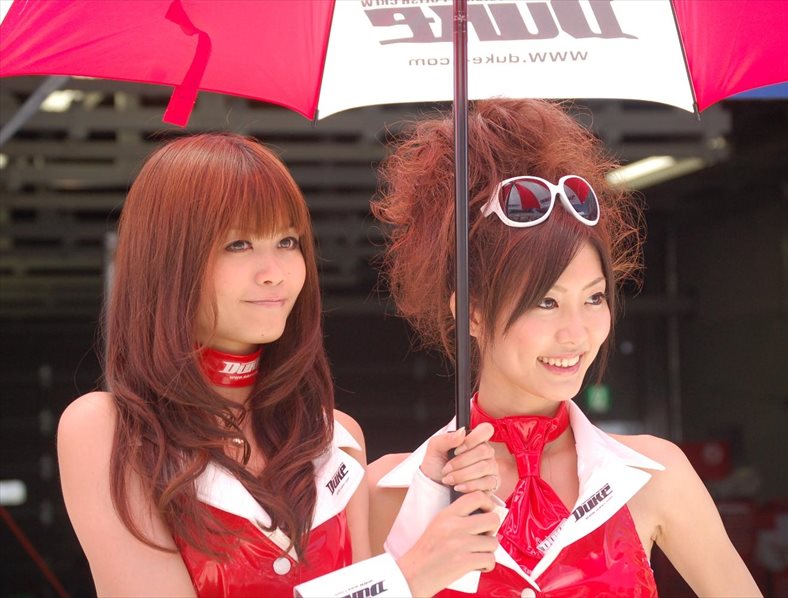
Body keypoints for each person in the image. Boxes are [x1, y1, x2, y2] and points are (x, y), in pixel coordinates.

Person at [56, 133, 502, 597]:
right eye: (238, 244)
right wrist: (408, 577)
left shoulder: (335, 438)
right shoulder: (111, 431)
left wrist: (432, 494)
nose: (275, 272)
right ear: (168, 259)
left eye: (287, 241)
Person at [368, 99, 762, 597]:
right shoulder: (389, 491)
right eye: (547, 302)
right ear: (472, 313)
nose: (576, 333)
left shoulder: (653, 475)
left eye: (594, 298)